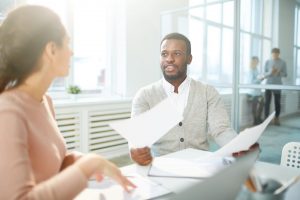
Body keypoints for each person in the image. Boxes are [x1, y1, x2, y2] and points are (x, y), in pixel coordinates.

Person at [0, 5, 135, 200]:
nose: (71, 53)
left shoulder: (45, 101)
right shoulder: (8, 112)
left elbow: (51, 163)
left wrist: (85, 160)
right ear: (52, 50)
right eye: (67, 44)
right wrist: (87, 166)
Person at [130, 33, 246, 166]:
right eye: (164, 54)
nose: (169, 59)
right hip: (162, 168)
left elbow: (221, 129)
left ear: (189, 59)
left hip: (200, 166)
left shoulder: (208, 92)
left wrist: (239, 147)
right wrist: (135, 149)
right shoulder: (145, 95)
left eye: (177, 53)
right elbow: (137, 134)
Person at [263, 48, 287, 125]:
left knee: (277, 103)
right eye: (273, 54)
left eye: (276, 54)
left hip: (278, 85)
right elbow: (264, 74)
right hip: (268, 85)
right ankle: (266, 119)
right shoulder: (267, 62)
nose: (275, 56)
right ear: (271, 54)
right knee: (267, 102)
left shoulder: (283, 62)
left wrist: (279, 72)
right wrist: (271, 72)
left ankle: (276, 118)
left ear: (279, 54)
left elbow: (285, 74)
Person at [247, 56, 264, 125]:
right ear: (252, 62)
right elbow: (251, 82)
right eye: (255, 61)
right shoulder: (251, 70)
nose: (257, 62)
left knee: (262, 103)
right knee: (254, 106)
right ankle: (255, 120)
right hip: (252, 93)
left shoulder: (257, 69)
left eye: (257, 61)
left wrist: (261, 79)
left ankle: (258, 118)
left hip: (258, 92)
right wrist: (259, 79)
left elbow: (258, 79)